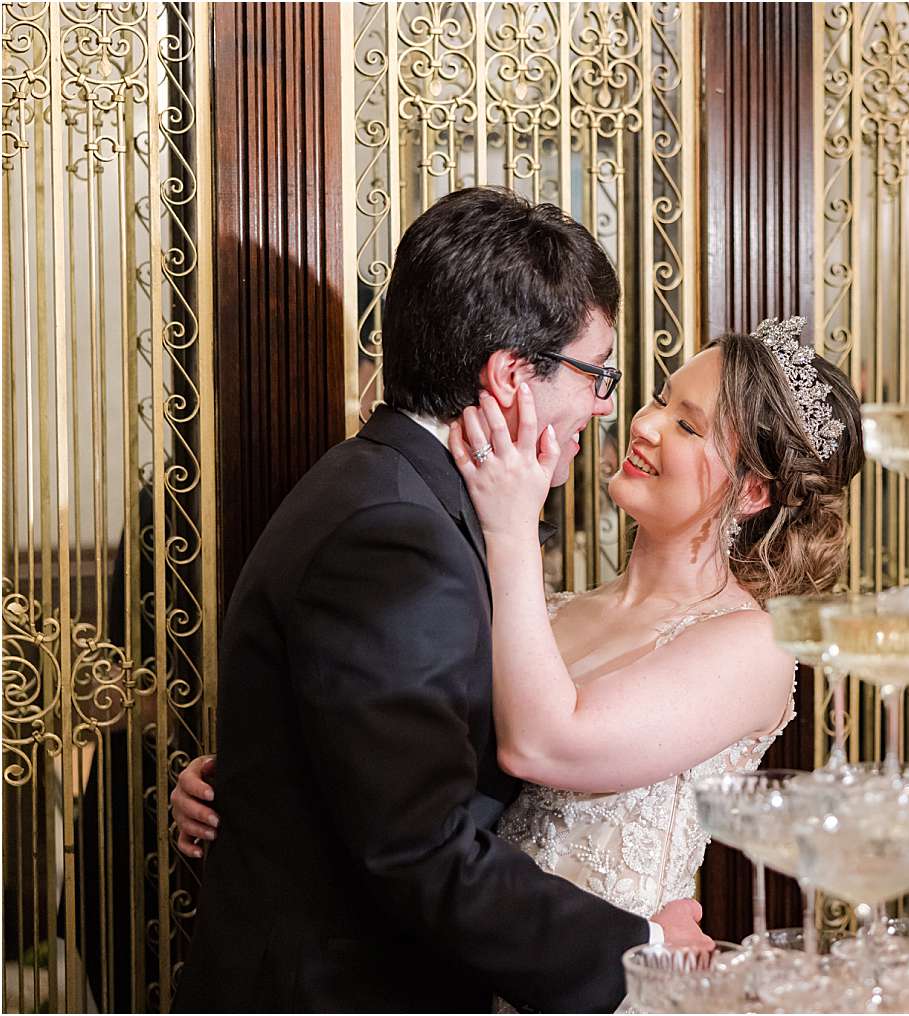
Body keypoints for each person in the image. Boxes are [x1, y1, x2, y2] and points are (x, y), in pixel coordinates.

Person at [174, 317, 866, 982]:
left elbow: (543, 743)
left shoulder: (753, 644)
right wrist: (260, 783)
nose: (643, 425)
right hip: (467, 975)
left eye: (686, 424)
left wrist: (510, 524)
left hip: (606, 985)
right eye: (659, 398)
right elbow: (410, 765)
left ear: (751, 491)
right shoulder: (554, 609)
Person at [171, 187, 707, 1014]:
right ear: (507, 376)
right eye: (597, 373)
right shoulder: (395, 533)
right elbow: (419, 845)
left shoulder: (395, 490)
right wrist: (645, 952)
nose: (608, 407)